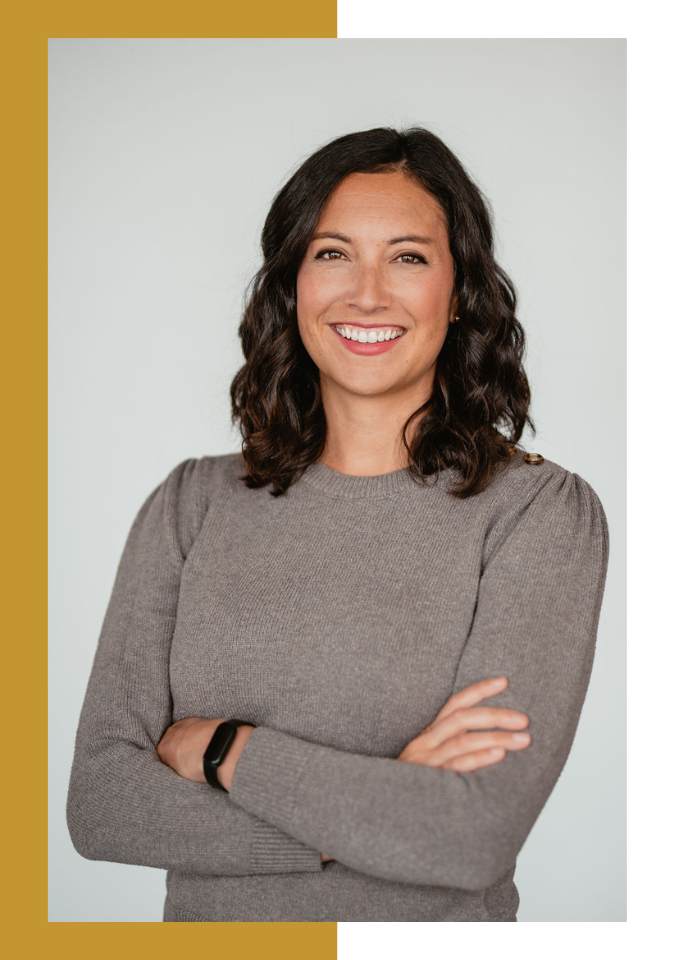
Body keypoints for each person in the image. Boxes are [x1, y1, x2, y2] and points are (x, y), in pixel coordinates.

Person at [66, 127, 609, 922]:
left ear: (459, 292)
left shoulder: (536, 515)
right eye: (331, 254)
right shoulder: (191, 504)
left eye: (408, 257)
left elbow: (466, 835)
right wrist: (362, 812)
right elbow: (103, 806)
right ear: (291, 282)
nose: (366, 293)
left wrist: (223, 750)